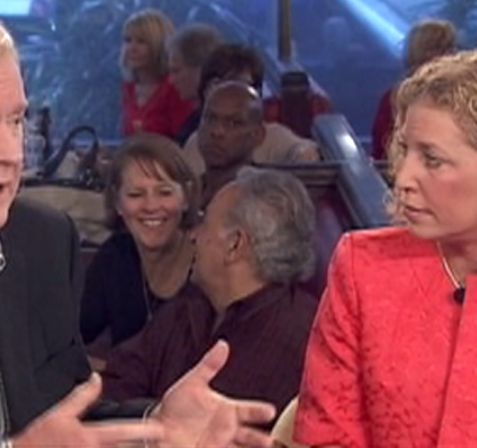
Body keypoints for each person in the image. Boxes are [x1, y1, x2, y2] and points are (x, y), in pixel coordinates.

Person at [0, 0, 276, 448]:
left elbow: (65, 419)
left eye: (15, 121)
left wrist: (155, 424)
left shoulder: (43, 241)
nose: (10, 154)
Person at [295, 48, 477, 448]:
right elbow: (328, 435)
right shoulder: (364, 268)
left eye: (432, 159)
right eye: (405, 151)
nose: (402, 178)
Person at [101, 167, 319, 415]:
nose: (192, 236)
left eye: (204, 223)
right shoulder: (191, 305)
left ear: (235, 245)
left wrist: (144, 418)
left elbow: (202, 427)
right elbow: (118, 379)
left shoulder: (292, 339)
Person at [80, 133, 200, 347]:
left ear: (186, 197)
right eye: (136, 195)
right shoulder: (116, 256)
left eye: (164, 193)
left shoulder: (207, 263)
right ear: (117, 202)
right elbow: (73, 337)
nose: (151, 206)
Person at [182, 44, 320, 176]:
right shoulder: (195, 143)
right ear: (206, 90)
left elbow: (304, 152)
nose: (218, 132)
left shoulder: (275, 136)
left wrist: (303, 154)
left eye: (234, 123)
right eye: (211, 119)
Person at [371, 18, 456, 159]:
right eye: (440, 48)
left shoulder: (463, 98)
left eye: (451, 47)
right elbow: (381, 152)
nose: (451, 55)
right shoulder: (393, 100)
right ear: (421, 52)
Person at [119, 8, 194, 138]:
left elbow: (185, 141)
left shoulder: (175, 89)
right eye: (128, 40)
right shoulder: (129, 88)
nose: (132, 48)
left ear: (159, 46)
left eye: (141, 41)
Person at [167, 22, 223, 145]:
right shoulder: (195, 119)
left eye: (176, 71)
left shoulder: (213, 124)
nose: (171, 81)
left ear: (202, 69)